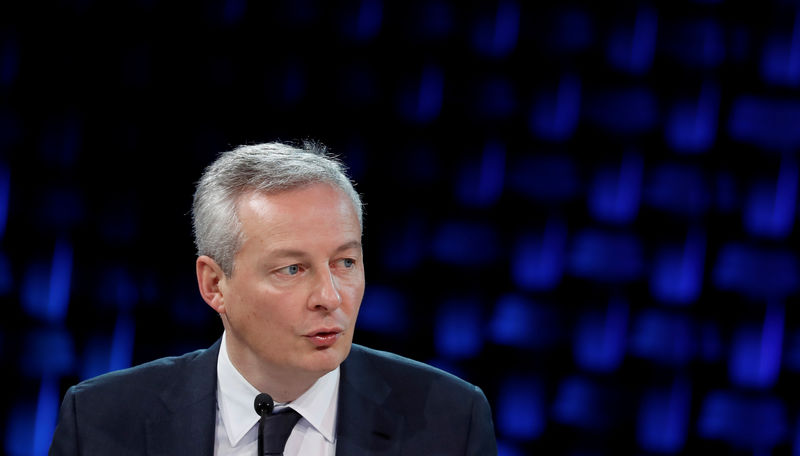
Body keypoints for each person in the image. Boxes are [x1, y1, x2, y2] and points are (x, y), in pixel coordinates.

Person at [49, 141, 497, 455]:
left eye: (345, 262)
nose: (329, 296)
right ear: (214, 285)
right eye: (292, 269)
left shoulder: (450, 420)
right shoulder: (99, 420)